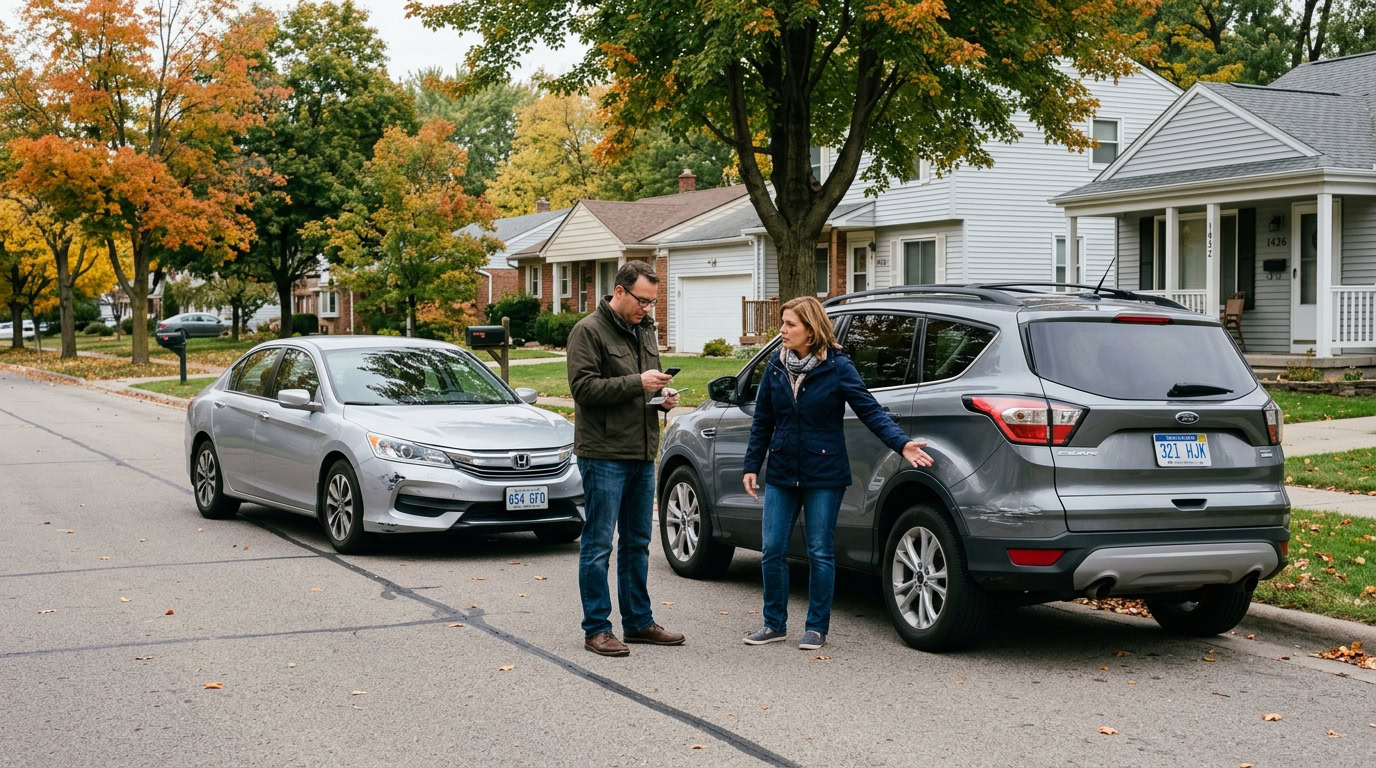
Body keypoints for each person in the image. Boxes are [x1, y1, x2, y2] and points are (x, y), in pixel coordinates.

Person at [741, 296, 933, 650]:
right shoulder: (775, 366)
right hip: (783, 470)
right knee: (772, 549)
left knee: (819, 551)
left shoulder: (838, 367)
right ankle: (774, 623)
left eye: (789, 325)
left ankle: (816, 628)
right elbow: (764, 420)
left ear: (811, 332)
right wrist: (752, 465)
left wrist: (901, 443)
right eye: (783, 323)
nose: (782, 331)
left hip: (824, 472)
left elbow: (870, 411)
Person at [566, 260, 685, 657]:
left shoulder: (645, 330)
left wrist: (661, 399)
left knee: (638, 542)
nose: (647, 309)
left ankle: (638, 623)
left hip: (641, 449)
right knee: (599, 544)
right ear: (620, 291)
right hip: (603, 454)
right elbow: (584, 389)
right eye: (642, 300)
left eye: (652, 302)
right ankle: (596, 628)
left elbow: (641, 389)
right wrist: (638, 383)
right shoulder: (588, 331)